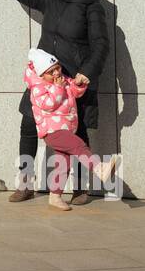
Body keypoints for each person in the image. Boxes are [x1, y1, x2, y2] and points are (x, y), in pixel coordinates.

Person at [0, 0, 109, 203]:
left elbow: (100, 45)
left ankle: (79, 188)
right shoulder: (51, 0)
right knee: (28, 126)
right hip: (43, 81)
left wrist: (86, 72)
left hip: (71, 83)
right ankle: (26, 183)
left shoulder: (92, 7)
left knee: (77, 134)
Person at [23, 49, 119, 211]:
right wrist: (58, 88)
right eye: (50, 72)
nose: (56, 73)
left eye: (57, 68)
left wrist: (79, 84)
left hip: (66, 129)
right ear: (41, 75)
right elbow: (48, 104)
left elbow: (74, 92)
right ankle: (99, 168)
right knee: (79, 146)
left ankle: (55, 196)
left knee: (63, 164)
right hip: (52, 131)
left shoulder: (62, 80)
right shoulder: (38, 88)